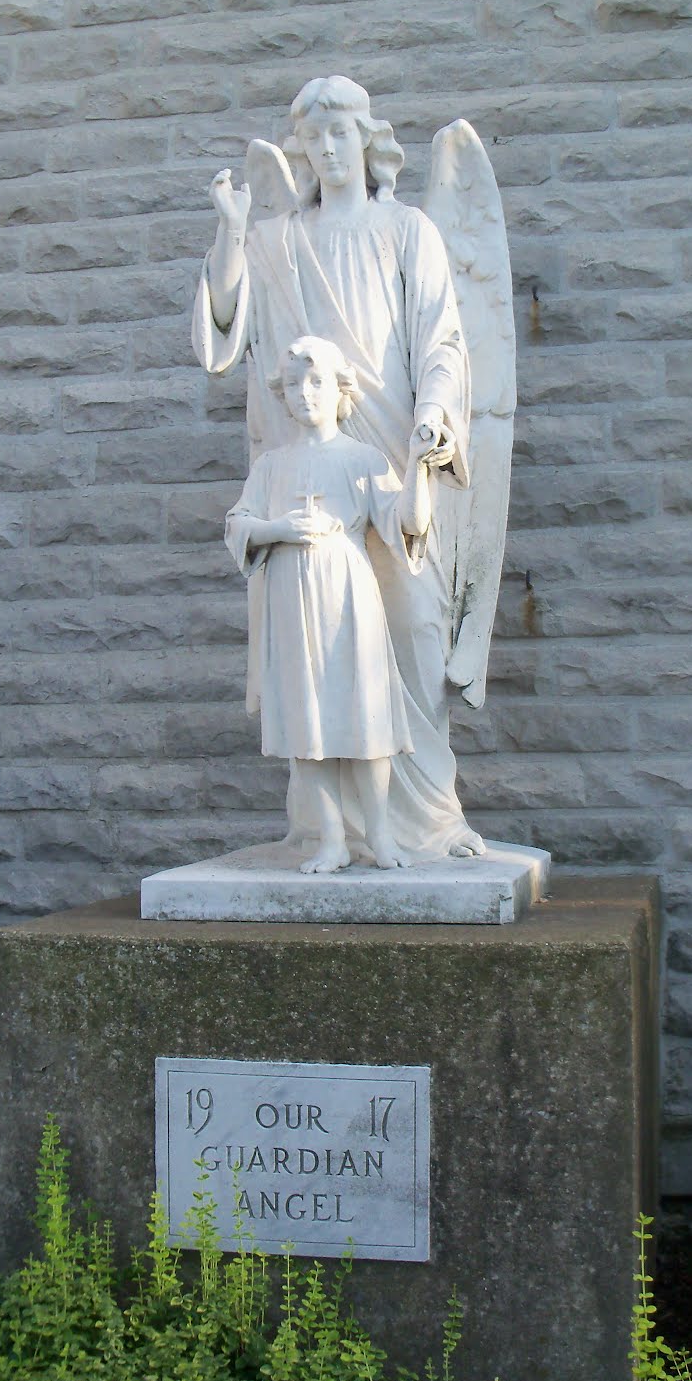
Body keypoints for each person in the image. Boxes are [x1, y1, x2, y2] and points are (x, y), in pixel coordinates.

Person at [193, 76, 484, 861]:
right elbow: (226, 329)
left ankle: (429, 819)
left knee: (416, 630)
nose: (326, 151)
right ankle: (333, 832)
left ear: (367, 141)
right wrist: (230, 232)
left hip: (390, 451)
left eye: (340, 135)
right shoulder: (277, 240)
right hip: (306, 461)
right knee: (320, 651)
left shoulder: (406, 230)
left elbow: (442, 338)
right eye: (313, 139)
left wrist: (435, 414)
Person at [225, 337, 442, 874]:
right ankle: (330, 840)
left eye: (316, 381)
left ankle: (381, 836)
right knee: (306, 722)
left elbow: (407, 524)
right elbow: (238, 524)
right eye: (294, 383)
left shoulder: (362, 460)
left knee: (367, 720)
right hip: (290, 605)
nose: (304, 394)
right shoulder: (273, 467)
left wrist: (419, 463)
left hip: (347, 597)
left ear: (340, 388)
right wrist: (280, 528)